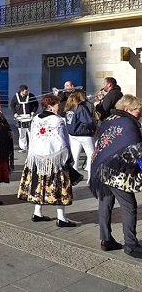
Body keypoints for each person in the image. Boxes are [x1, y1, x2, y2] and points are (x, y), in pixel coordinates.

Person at [89, 95, 142, 257]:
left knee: (105, 204)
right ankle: (131, 245)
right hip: (117, 172)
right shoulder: (128, 125)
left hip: (101, 167)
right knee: (129, 206)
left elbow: (102, 143)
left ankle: (106, 240)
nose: (140, 113)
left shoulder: (109, 119)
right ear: (127, 109)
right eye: (138, 110)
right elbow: (136, 151)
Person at [17, 94, 78, 227]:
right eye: (57, 105)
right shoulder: (58, 120)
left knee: (40, 184)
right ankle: (61, 218)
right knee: (58, 186)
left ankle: (37, 212)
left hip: (37, 158)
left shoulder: (36, 118)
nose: (59, 107)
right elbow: (63, 141)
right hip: (54, 159)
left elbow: (33, 138)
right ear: (50, 106)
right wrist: (68, 158)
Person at [64, 90, 96, 183]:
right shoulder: (81, 107)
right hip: (84, 134)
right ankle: (91, 177)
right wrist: (93, 128)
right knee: (91, 155)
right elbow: (88, 122)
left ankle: (74, 177)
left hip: (73, 134)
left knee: (75, 156)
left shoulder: (69, 108)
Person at [10, 84, 39, 153]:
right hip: (20, 117)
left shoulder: (31, 96)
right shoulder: (15, 97)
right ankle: (23, 147)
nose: (27, 92)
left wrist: (33, 111)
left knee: (31, 132)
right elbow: (12, 105)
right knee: (22, 133)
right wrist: (15, 113)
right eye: (25, 91)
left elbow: (36, 104)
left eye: (27, 91)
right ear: (21, 91)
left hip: (29, 116)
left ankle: (32, 147)